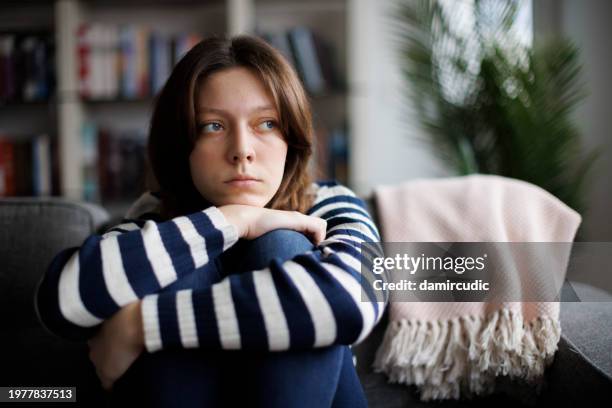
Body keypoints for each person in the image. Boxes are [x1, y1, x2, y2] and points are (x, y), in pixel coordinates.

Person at [35, 35, 387, 407]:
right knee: (182, 268)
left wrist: (144, 325)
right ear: (182, 145)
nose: (242, 151)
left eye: (266, 123)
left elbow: (351, 302)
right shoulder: (153, 217)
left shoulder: (329, 205)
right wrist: (233, 219)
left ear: (292, 139)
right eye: (213, 126)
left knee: (284, 243)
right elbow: (60, 302)